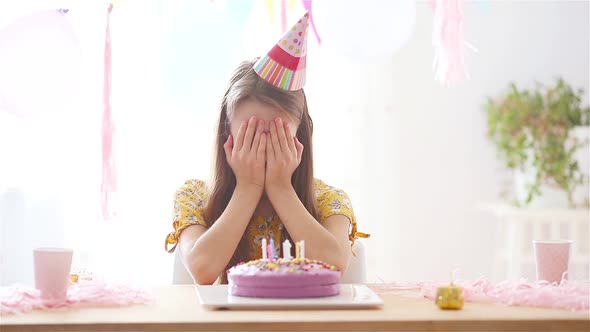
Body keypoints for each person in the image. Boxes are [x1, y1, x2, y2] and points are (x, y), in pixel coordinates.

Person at [164, 12, 368, 285]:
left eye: (278, 138)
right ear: (228, 135)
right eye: (250, 137)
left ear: (299, 139)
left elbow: (334, 267)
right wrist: (247, 187)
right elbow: (202, 269)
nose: (262, 149)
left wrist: (280, 187)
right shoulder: (194, 197)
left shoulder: (327, 200)